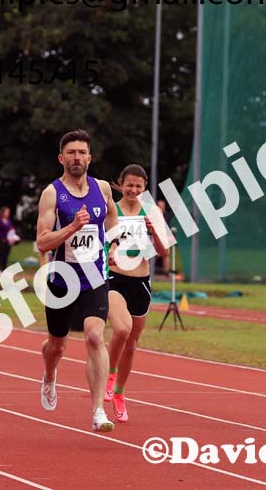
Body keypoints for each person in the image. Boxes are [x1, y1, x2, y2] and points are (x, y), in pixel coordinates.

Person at [36, 129, 118, 432]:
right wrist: (71, 227)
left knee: (95, 336)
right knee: (57, 345)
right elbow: (42, 243)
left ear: (90, 157)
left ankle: (98, 411)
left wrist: (114, 244)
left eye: (82, 152)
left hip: (95, 277)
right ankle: (49, 376)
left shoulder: (103, 189)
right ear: (61, 158)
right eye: (71, 153)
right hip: (62, 280)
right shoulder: (52, 194)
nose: (77, 158)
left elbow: (112, 219)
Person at [104, 165, 170, 422]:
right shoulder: (112, 210)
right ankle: (110, 374)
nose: (133, 190)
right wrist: (109, 250)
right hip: (115, 279)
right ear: (120, 184)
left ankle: (120, 393)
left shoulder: (152, 211)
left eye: (138, 186)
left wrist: (154, 232)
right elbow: (103, 242)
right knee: (121, 329)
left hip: (141, 281)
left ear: (144, 188)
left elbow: (164, 253)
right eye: (129, 185)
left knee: (131, 343)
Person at [0, 206, 16, 276]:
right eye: (7, 212)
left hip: (8, 241)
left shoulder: (9, 221)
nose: (8, 213)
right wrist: (2, 238)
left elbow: (11, 229)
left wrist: (13, 237)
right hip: (1, 241)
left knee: (6, 255)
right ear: (3, 212)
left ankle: (4, 269)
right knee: (1, 255)